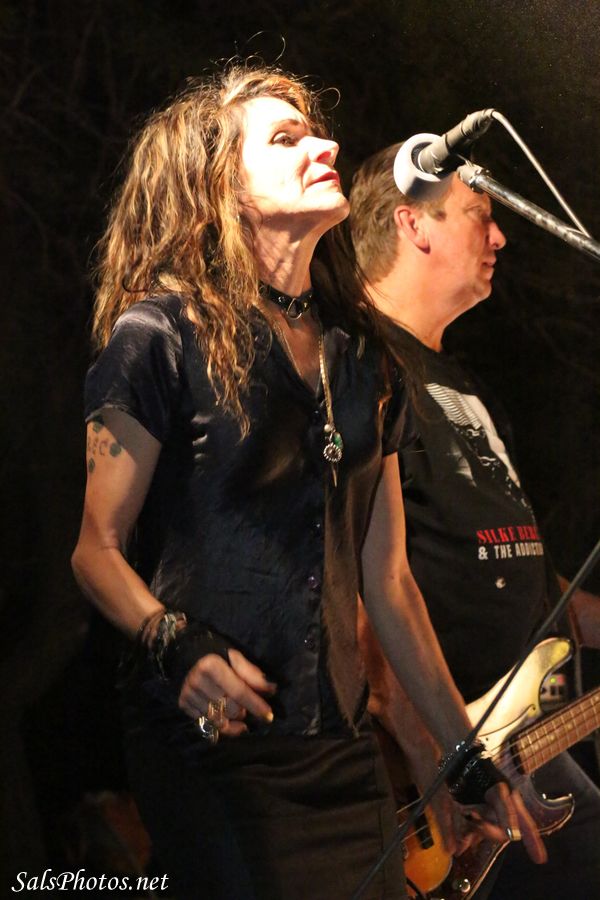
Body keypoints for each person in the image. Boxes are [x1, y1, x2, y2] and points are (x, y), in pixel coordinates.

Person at [71, 67, 543, 900]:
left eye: (316, 132)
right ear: (220, 186)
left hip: (343, 755)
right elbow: (95, 551)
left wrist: (461, 755)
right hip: (214, 751)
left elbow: (388, 584)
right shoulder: (159, 337)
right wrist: (172, 641)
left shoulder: (365, 360)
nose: (323, 146)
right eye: (285, 138)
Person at [349, 143, 600, 899]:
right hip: (440, 767)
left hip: (515, 739)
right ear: (412, 224)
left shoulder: (461, 384)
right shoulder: (359, 365)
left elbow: (515, 567)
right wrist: (433, 755)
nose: (500, 236)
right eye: (478, 215)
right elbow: (357, 578)